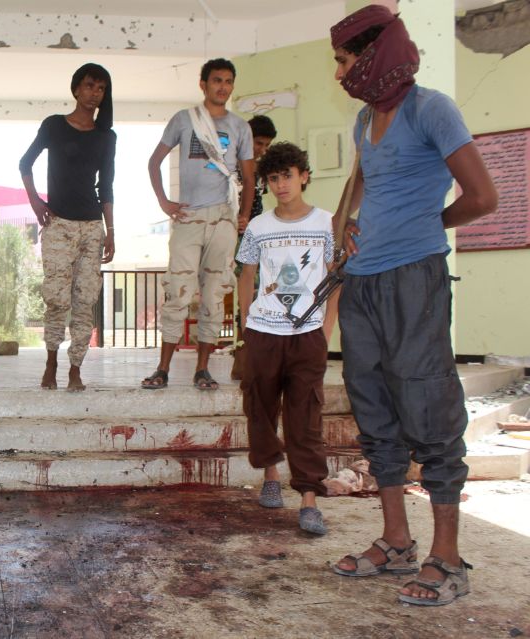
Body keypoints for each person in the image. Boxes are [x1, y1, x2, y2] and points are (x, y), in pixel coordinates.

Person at [328, 6, 497, 606]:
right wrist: (346, 228)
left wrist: (429, 224)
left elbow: (483, 196)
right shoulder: (362, 120)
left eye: (346, 60)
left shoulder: (432, 109)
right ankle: (396, 542)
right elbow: (364, 182)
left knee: (427, 404)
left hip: (415, 278)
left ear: (374, 57)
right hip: (364, 282)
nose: (341, 72)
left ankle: (446, 559)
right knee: (374, 407)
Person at [236, 143, 334, 535]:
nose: (281, 185)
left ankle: (309, 499)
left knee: (305, 414)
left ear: (304, 175)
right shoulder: (259, 226)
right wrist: (247, 327)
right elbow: (246, 276)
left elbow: (334, 279)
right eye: (273, 178)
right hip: (263, 331)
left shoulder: (327, 223)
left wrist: (327, 330)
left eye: (287, 176)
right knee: (260, 404)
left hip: (308, 334)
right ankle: (271, 476)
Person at [141, 58, 255, 390]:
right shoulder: (184, 119)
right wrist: (164, 202)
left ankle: (202, 369)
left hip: (222, 218)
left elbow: (248, 176)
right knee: (177, 292)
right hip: (188, 217)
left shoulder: (239, 127)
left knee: (215, 294)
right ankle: (162, 369)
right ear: (202, 84)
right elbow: (154, 161)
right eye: (217, 80)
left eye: (229, 81)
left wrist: (243, 215)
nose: (223, 86)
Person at [20, 63, 116, 392]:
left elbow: (107, 186)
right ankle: (51, 364)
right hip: (58, 223)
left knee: (85, 300)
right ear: (76, 89)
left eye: (101, 88)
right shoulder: (54, 126)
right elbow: (25, 163)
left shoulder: (106, 137)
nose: (94, 93)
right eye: (89, 86)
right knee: (57, 299)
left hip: (92, 226)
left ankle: (76, 368)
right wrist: (35, 202)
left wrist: (111, 230)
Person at [247, 115, 277, 222]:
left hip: (254, 228)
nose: (263, 150)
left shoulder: (262, 168)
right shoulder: (228, 165)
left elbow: (258, 201)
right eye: (259, 143)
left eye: (267, 145)